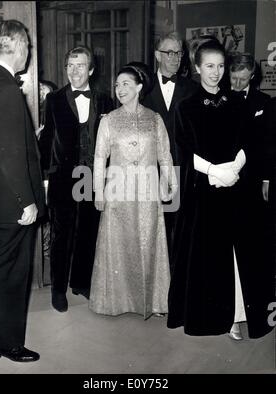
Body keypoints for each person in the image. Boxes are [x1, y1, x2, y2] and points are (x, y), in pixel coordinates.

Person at [167, 39, 275, 339]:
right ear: (198, 68)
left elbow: (247, 142)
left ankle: (238, 314)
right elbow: (183, 149)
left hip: (236, 189)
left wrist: (234, 170)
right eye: (210, 66)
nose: (216, 73)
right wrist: (215, 171)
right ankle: (215, 317)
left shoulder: (237, 103)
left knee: (238, 253)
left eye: (220, 66)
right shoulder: (185, 106)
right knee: (208, 256)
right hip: (203, 192)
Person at [0, 20, 45, 362]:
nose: (28, 52)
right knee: (12, 276)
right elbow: (9, 155)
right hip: (11, 205)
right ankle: (9, 344)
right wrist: (28, 201)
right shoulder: (4, 88)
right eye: (28, 46)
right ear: (16, 46)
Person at [89, 64, 177, 319]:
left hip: (149, 192)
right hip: (118, 192)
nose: (120, 89)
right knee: (119, 245)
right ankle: (116, 302)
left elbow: (164, 154)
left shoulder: (155, 119)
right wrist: (98, 192)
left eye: (125, 84)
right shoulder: (109, 120)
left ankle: (154, 301)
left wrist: (171, 184)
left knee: (149, 243)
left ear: (139, 87)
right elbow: (98, 158)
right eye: (117, 85)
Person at [39, 46, 113, 312]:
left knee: (88, 232)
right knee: (61, 236)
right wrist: (44, 176)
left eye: (80, 65)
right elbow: (47, 139)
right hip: (63, 177)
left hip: (93, 176)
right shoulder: (55, 99)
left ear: (91, 70)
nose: (74, 71)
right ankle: (58, 290)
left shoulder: (105, 100)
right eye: (70, 65)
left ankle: (81, 282)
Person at [227, 52, 273, 339]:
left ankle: (255, 311)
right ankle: (230, 314)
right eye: (233, 77)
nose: (236, 83)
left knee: (253, 248)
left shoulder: (264, 103)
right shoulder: (217, 99)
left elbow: (269, 144)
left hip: (252, 184)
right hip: (224, 181)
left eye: (243, 79)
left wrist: (267, 177)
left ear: (252, 77)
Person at [142, 31, 197, 259]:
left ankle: (175, 281)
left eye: (179, 53)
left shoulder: (192, 89)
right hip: (148, 169)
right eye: (170, 52)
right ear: (157, 55)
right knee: (151, 227)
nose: (176, 58)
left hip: (181, 169)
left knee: (178, 227)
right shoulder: (142, 87)